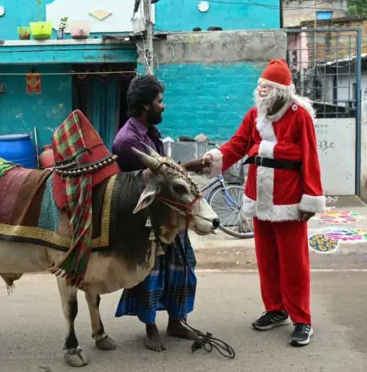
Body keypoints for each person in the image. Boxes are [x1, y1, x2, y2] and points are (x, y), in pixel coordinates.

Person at [185, 59, 326, 347]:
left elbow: (310, 157)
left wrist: (309, 201)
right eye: (259, 86)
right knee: (267, 259)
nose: (261, 91)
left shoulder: (300, 116)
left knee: (294, 263)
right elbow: (237, 145)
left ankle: (302, 319)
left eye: (267, 87)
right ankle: (275, 309)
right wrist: (210, 160)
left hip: (289, 202)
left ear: (281, 91)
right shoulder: (254, 116)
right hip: (259, 198)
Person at [112, 74, 200, 352]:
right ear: (146, 105)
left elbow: (165, 172)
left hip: (168, 215)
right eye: (160, 101)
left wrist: (189, 168)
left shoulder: (150, 132)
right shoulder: (129, 141)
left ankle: (176, 320)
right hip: (146, 219)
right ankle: (150, 327)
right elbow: (151, 182)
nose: (164, 106)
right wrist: (188, 167)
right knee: (152, 273)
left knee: (183, 266)